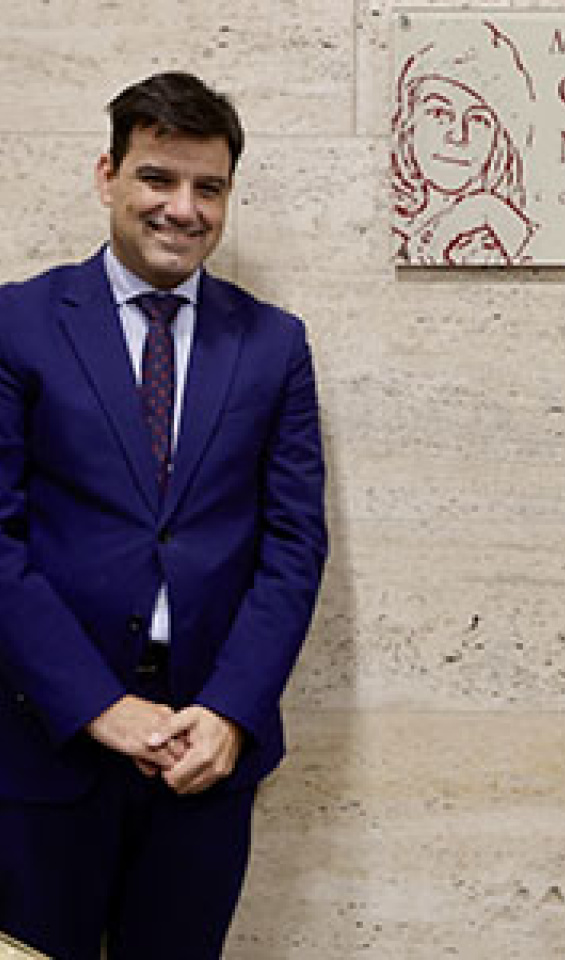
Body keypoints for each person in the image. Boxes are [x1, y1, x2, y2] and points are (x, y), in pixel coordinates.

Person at [0, 72, 328, 958]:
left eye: (208, 187)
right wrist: (98, 705)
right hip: (43, 743)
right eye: (158, 178)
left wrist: (229, 710)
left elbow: (294, 546)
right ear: (107, 174)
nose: (183, 209)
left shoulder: (274, 344)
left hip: (204, 756)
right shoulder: (17, 324)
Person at [390, 21, 538, 266]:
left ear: (498, 143)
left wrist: (491, 214)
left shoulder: (502, 237)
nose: (458, 135)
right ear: (409, 124)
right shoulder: (384, 231)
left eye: (478, 119)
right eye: (439, 113)